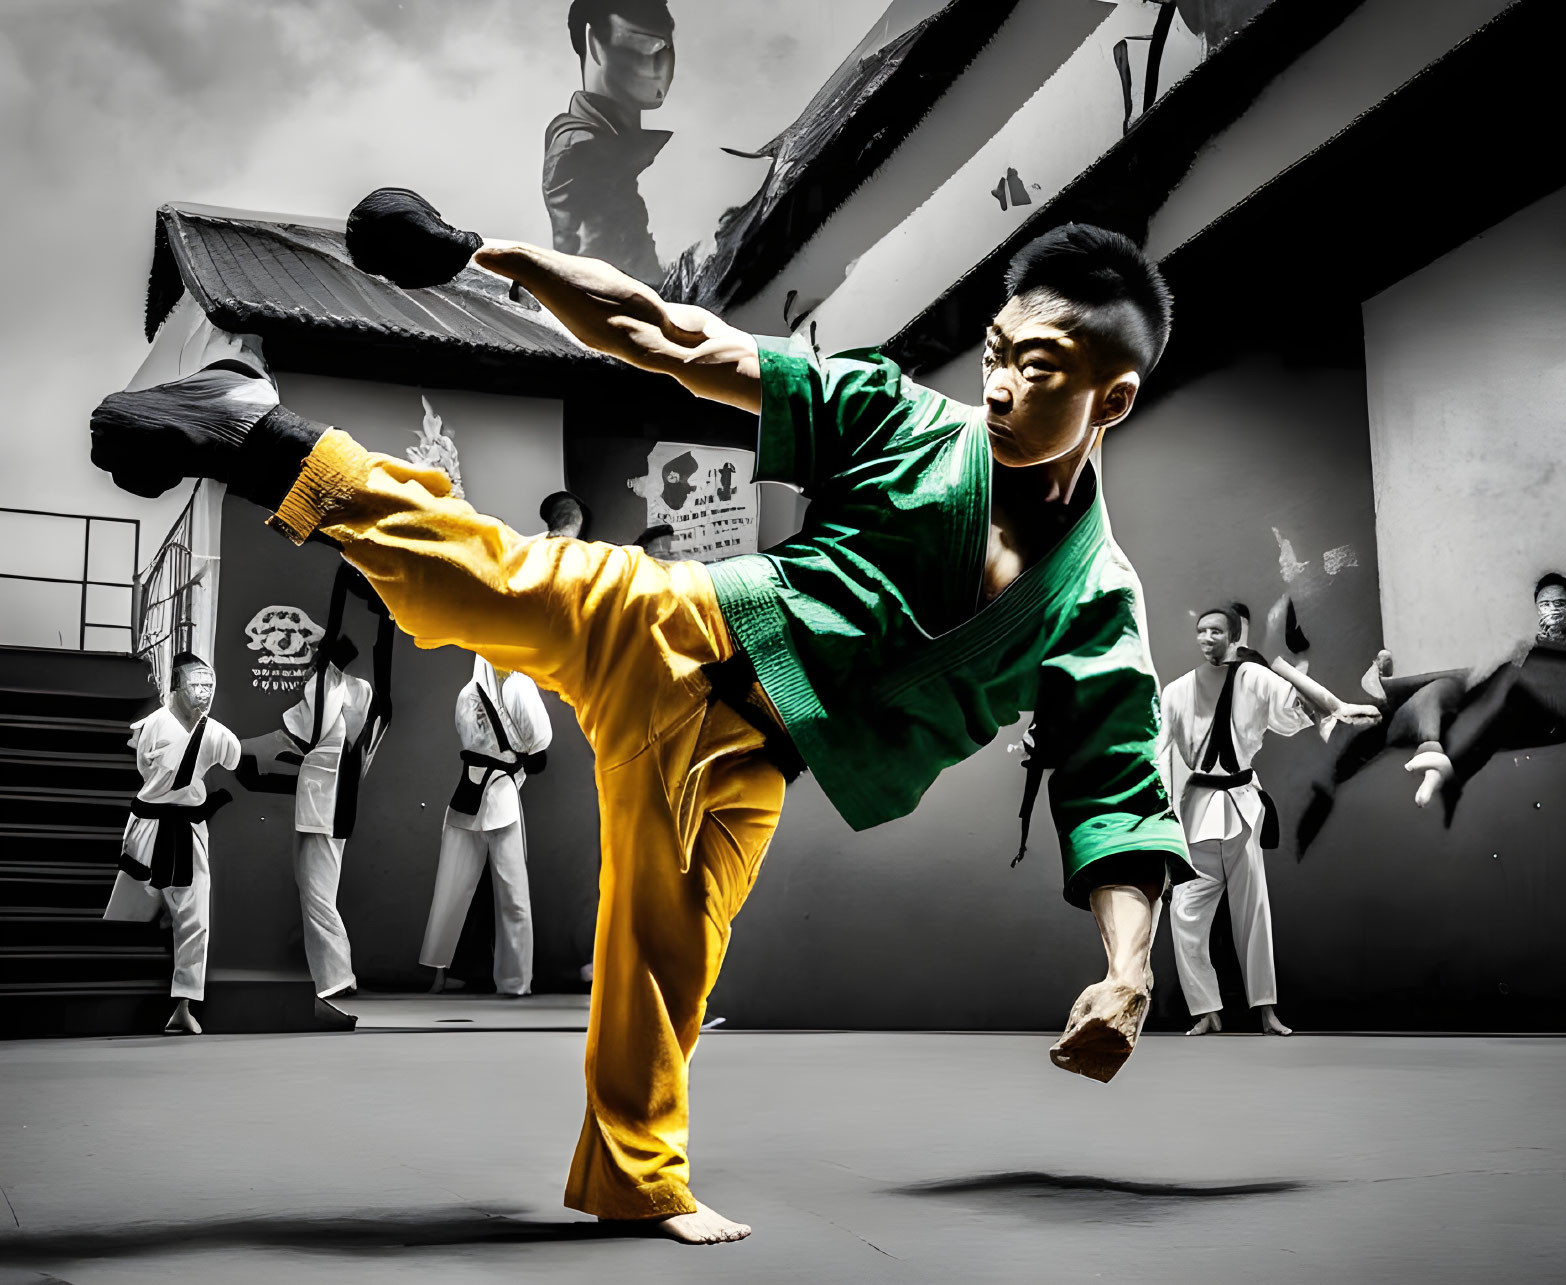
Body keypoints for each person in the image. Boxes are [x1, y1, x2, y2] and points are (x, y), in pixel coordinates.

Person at [92, 193, 1191, 1245]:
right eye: (996, 351)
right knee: (467, 580)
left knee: (668, 961)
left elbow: (1118, 797)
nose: (998, 386)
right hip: (683, 629)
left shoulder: (1098, 606)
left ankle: (633, 1179)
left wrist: (1130, 969)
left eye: (1037, 369)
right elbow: (670, 337)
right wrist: (488, 257)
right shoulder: (900, 417)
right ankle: (257, 432)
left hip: (757, 761)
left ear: (1115, 396)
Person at [1157, 607, 1378, 1037]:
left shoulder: (1255, 679)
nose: (1206, 638)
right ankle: (1205, 1009)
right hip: (1195, 810)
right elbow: (1162, 755)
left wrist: (1333, 708)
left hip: (1240, 808)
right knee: (1184, 915)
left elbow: (1295, 704)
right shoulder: (1176, 691)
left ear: (1234, 637)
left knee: (1254, 914)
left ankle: (1266, 1011)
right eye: (1201, 631)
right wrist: (1163, 824)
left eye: (1216, 631)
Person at [1300, 573, 1566, 846]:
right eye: (1545, 604)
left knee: (1470, 693)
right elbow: (1486, 690)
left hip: (1523, 720)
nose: (1552, 611)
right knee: (1432, 697)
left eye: (1560, 604)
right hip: (1488, 709)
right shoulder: (1529, 651)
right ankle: (1385, 712)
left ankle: (1404, 713)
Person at [103, 652, 239, 1035]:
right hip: (148, 825)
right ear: (177, 686)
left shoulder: (215, 733)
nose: (204, 694)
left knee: (196, 916)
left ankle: (183, 1005)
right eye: (197, 685)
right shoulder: (151, 726)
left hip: (190, 830)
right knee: (133, 904)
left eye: (209, 686)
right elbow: (148, 772)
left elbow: (231, 761)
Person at [278, 605, 393, 1020]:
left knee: (316, 893)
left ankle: (335, 977)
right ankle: (333, 975)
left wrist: (325, 673)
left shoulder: (327, 686)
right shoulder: (354, 690)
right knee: (315, 888)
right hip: (332, 800)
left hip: (322, 802)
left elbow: (305, 732)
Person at [421, 656, 553, 996]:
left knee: (451, 890)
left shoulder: (467, 693)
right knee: (512, 894)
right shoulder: (518, 685)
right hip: (501, 796)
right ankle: (515, 981)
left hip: (467, 792)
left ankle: (441, 975)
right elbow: (539, 752)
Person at [543, 0, 675, 285]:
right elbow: (594, 276)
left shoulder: (621, 148)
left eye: (667, 47)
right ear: (594, 44)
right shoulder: (582, 149)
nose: (661, 65)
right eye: (642, 45)